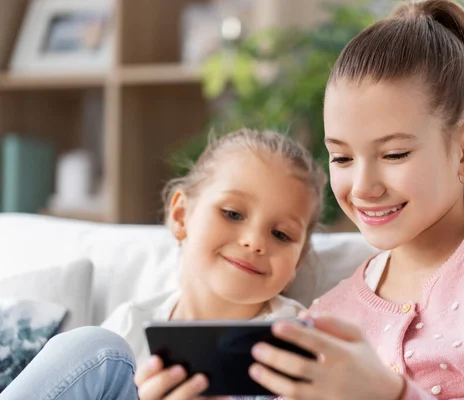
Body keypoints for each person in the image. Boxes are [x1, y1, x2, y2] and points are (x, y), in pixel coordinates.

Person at [246, 1, 464, 399]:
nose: (363, 187)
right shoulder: (329, 317)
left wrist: (389, 393)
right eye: (342, 157)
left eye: (394, 154)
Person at [0, 129, 326, 400]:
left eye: (281, 234)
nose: (255, 241)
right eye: (233, 214)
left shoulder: (295, 338)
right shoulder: (131, 323)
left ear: (297, 261)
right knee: (95, 347)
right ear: (182, 216)